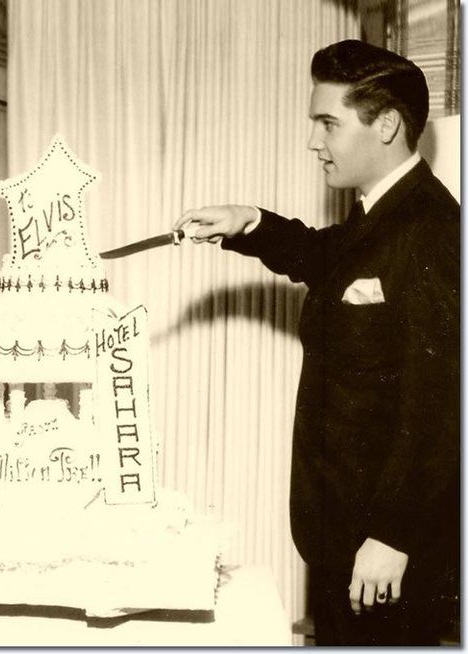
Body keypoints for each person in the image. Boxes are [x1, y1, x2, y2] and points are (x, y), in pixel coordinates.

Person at [174, 40, 459, 646]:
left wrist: (393, 534)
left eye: (328, 123)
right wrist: (248, 219)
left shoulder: (436, 231)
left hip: (386, 556)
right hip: (342, 535)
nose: (314, 142)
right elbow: (327, 256)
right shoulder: (378, 217)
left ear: (386, 125)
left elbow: (440, 405)